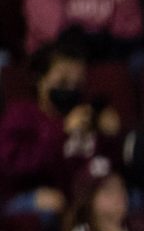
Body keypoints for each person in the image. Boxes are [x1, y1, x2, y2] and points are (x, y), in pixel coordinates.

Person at [0, 41, 122, 215]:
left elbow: (104, 168)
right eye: (63, 82)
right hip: (29, 198)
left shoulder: (88, 115)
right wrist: (62, 131)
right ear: (39, 78)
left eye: (77, 83)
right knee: (51, 207)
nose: (71, 89)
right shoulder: (20, 116)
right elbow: (13, 168)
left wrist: (110, 137)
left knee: (132, 199)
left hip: (83, 200)